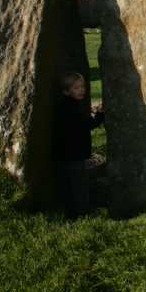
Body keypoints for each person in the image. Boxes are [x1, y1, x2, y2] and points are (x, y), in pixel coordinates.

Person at [53, 71, 104, 217]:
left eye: (82, 86)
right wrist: (99, 117)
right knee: (80, 181)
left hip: (65, 152)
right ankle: (80, 211)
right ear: (66, 91)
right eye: (76, 87)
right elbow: (83, 125)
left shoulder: (67, 105)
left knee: (68, 181)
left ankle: (67, 207)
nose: (81, 90)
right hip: (72, 154)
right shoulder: (69, 108)